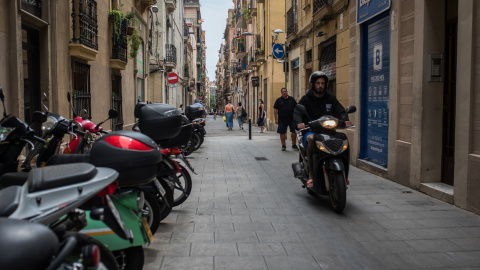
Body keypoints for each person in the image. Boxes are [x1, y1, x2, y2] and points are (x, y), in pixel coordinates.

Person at [293, 71, 352, 189]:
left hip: (328, 131)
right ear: (313, 84)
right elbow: (298, 112)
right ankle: (311, 176)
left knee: (343, 138)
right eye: (318, 83)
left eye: (323, 83)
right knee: (311, 139)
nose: (320, 85)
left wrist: (345, 119)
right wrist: (299, 123)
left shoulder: (330, 97)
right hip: (311, 130)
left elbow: (339, 110)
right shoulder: (306, 99)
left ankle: (344, 174)